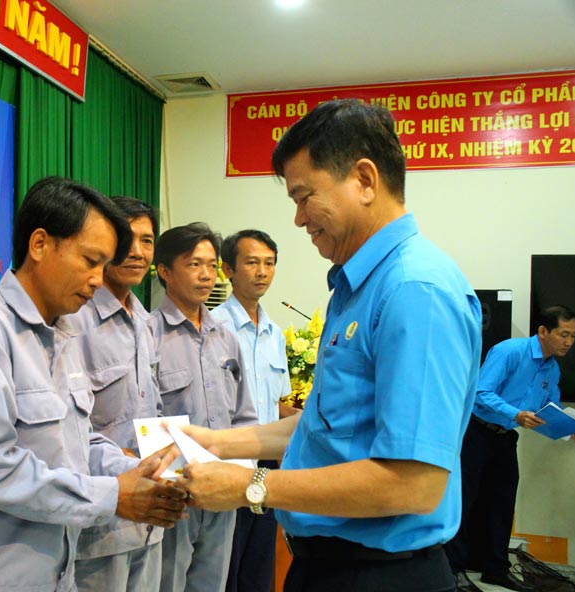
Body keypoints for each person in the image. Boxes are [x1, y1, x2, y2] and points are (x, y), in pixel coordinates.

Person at [166, 99, 483, 592]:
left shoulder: (414, 291)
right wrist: (217, 443)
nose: (298, 219)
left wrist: (253, 487)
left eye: (304, 196)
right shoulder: (357, 286)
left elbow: (414, 484)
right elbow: (324, 426)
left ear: (363, 179)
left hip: (379, 574)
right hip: (329, 567)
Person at [0, 177, 187, 592]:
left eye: (104, 265)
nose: (98, 279)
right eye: (89, 261)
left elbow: (78, 442)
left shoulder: (63, 334)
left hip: (57, 571)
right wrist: (113, 495)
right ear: (39, 244)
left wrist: (141, 471)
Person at [150, 222, 259, 592]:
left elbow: (244, 417)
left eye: (212, 265)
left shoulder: (225, 337)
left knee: (213, 585)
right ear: (165, 271)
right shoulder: (149, 335)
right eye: (194, 264)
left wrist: (240, 479)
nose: (206, 275)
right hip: (174, 496)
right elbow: (146, 420)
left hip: (223, 493)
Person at [446, 305, 575, 592]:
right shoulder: (510, 351)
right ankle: (453, 571)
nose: (569, 342)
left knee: (502, 504)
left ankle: (495, 569)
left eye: (573, 336)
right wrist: (516, 413)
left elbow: (548, 409)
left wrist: (571, 431)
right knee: (464, 502)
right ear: (543, 331)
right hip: (476, 433)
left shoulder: (551, 368)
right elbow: (481, 392)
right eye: (564, 334)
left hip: (505, 439)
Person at [70, 197, 165, 592]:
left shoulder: (146, 321)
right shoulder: (75, 318)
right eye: (127, 238)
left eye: (147, 240)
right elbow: (68, 429)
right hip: (100, 522)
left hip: (149, 519)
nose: (137, 251)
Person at [210, 229, 296, 592]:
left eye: (269, 263)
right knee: (224, 569)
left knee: (260, 570)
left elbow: (278, 404)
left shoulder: (275, 332)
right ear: (228, 269)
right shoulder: (213, 326)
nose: (262, 271)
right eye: (252, 262)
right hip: (227, 464)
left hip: (267, 468)